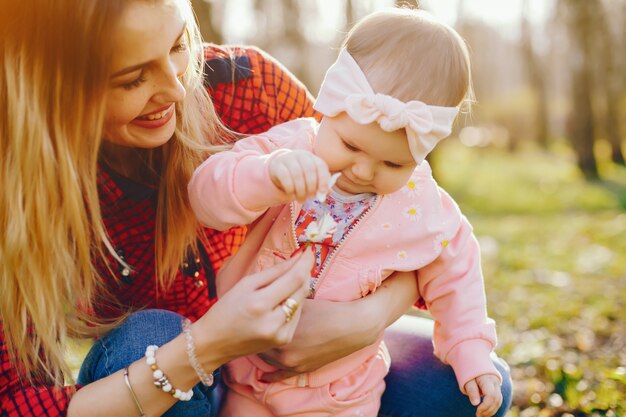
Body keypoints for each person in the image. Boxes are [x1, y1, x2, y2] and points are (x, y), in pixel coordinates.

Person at [0, 1, 512, 417]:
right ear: (54, 87)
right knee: (147, 337)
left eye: (178, 46)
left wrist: (365, 319)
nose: (179, 89)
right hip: (200, 377)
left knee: (476, 383)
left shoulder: (246, 85)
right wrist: (209, 345)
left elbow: (436, 253)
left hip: (337, 387)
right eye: (132, 78)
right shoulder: (302, 143)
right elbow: (209, 192)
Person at [189, 8, 504, 417]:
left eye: (393, 164)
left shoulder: (422, 205)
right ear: (329, 109)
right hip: (246, 374)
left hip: (341, 392)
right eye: (351, 146)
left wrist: (471, 352)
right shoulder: (293, 146)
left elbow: (457, 276)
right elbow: (205, 196)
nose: (363, 171)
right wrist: (266, 176)